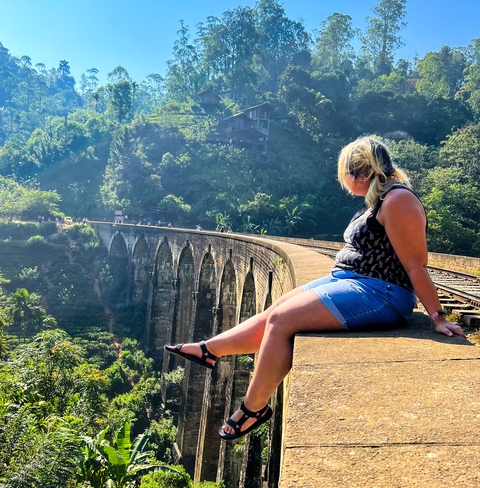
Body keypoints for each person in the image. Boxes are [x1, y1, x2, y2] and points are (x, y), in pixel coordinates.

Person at [165, 137, 465, 441]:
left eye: (344, 176)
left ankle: (254, 408)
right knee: (276, 310)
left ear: (359, 173)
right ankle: (210, 349)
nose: (344, 183)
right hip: (351, 282)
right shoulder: (379, 199)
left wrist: (437, 316)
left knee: (283, 321)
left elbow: (416, 265)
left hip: (381, 293)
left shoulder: (398, 200)